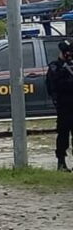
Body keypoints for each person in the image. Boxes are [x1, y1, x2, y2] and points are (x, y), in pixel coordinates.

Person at [46, 39, 73, 171]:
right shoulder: (55, 67)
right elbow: (52, 87)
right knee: (63, 134)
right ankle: (61, 163)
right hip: (64, 106)